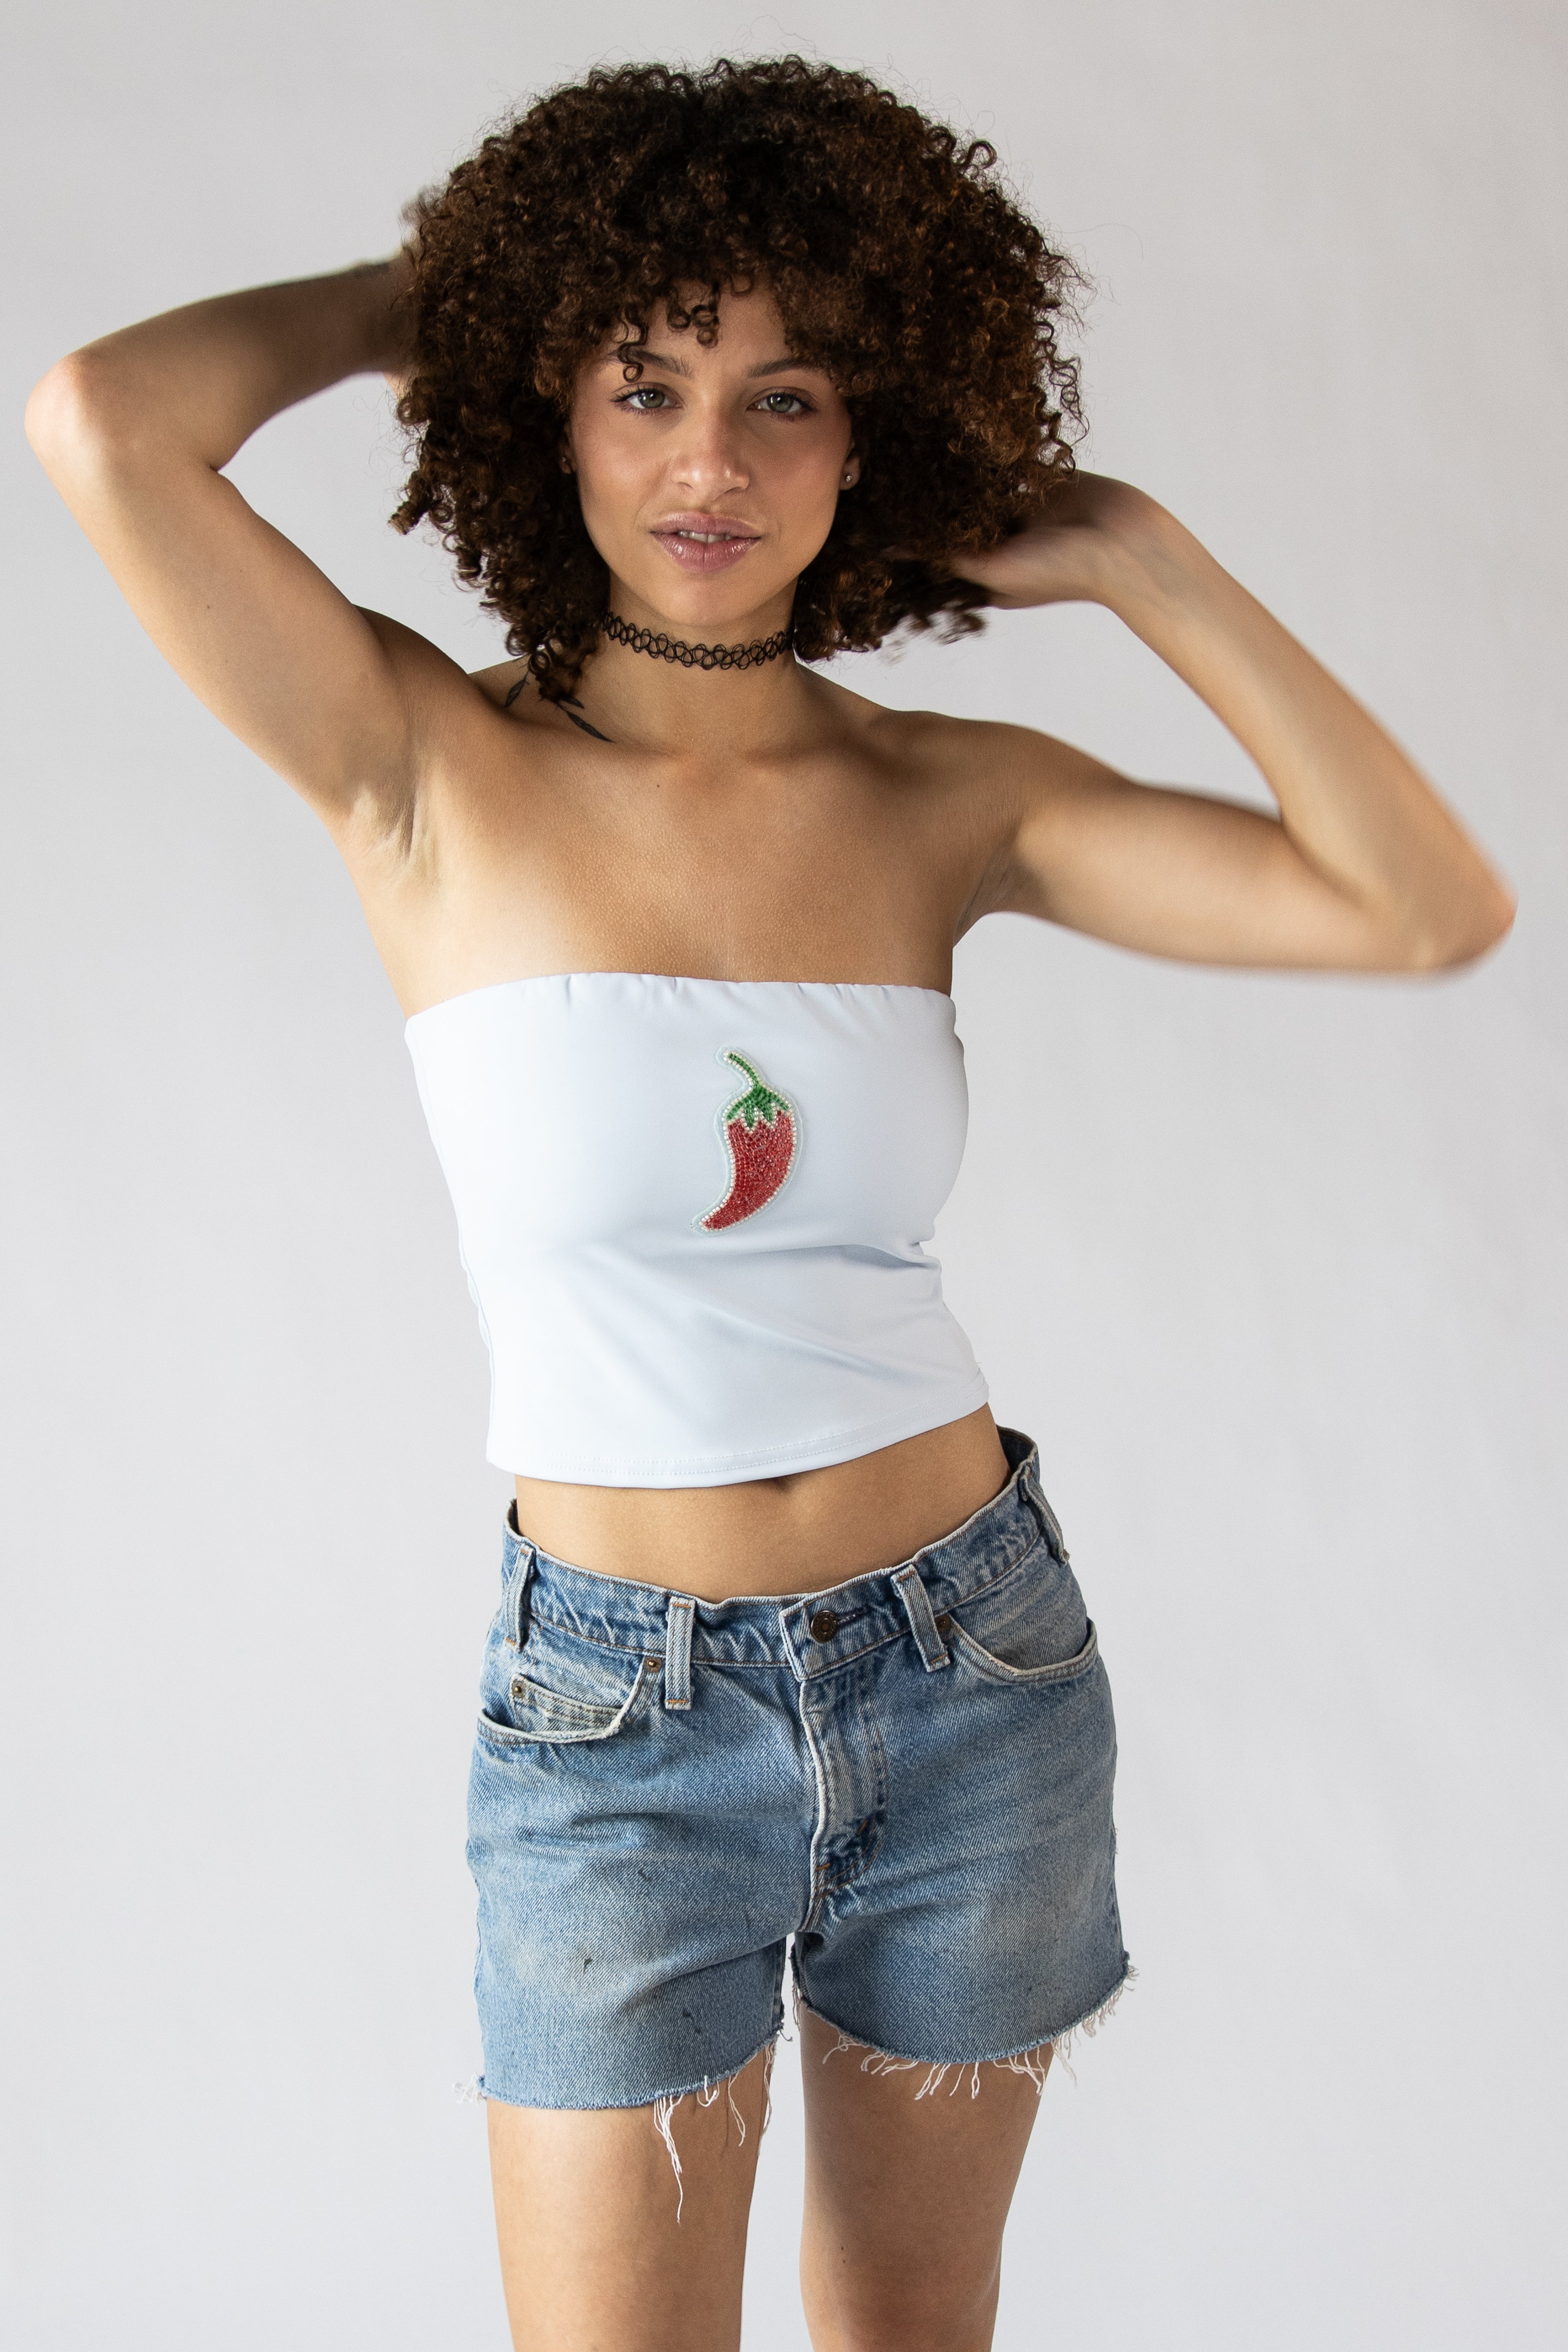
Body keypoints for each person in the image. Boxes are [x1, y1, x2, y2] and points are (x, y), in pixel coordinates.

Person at [26, 54, 1512, 2352]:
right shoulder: (424, 761)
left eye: (783, 397)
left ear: (868, 438)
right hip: (616, 1724)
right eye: (644, 384)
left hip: (975, 1672)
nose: (710, 463)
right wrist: (453, 293)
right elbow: (106, 423)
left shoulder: (946, 797)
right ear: (553, 411)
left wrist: (1141, 560)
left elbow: (1423, 907)